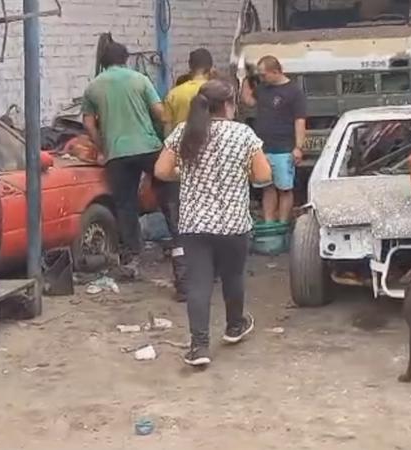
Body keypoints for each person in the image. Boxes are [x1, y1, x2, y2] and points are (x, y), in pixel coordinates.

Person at [155, 79, 273, 367]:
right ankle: (235, 326)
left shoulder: (185, 132)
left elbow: (161, 171)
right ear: (228, 105)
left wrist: (187, 176)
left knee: (198, 284)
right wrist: (237, 174)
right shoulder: (243, 134)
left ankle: (199, 347)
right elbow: (263, 175)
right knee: (233, 277)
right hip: (233, 223)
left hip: (195, 224)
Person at [82, 42, 168, 278]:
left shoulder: (93, 87)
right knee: (169, 195)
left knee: (125, 205)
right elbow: (160, 113)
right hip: (149, 147)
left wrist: (103, 147)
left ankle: (134, 256)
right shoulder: (139, 79)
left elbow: (88, 124)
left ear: (104, 61)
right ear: (126, 59)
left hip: (117, 153)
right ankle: (183, 245)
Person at [156, 48, 216, 303]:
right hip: (211, 168)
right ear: (210, 66)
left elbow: (167, 130)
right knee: (211, 221)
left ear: (189, 66)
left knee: (181, 225)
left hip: (181, 168)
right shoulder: (216, 91)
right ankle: (210, 274)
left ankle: (183, 281)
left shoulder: (174, 94)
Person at [240, 55, 306, 227]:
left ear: (276, 71)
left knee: (284, 188)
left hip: (284, 148)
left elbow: (300, 120)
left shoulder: (294, 92)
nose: (262, 78)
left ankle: (283, 224)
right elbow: (249, 101)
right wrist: (244, 80)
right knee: (267, 187)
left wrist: (298, 147)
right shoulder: (263, 89)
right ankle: (270, 223)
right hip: (263, 148)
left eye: (264, 75)